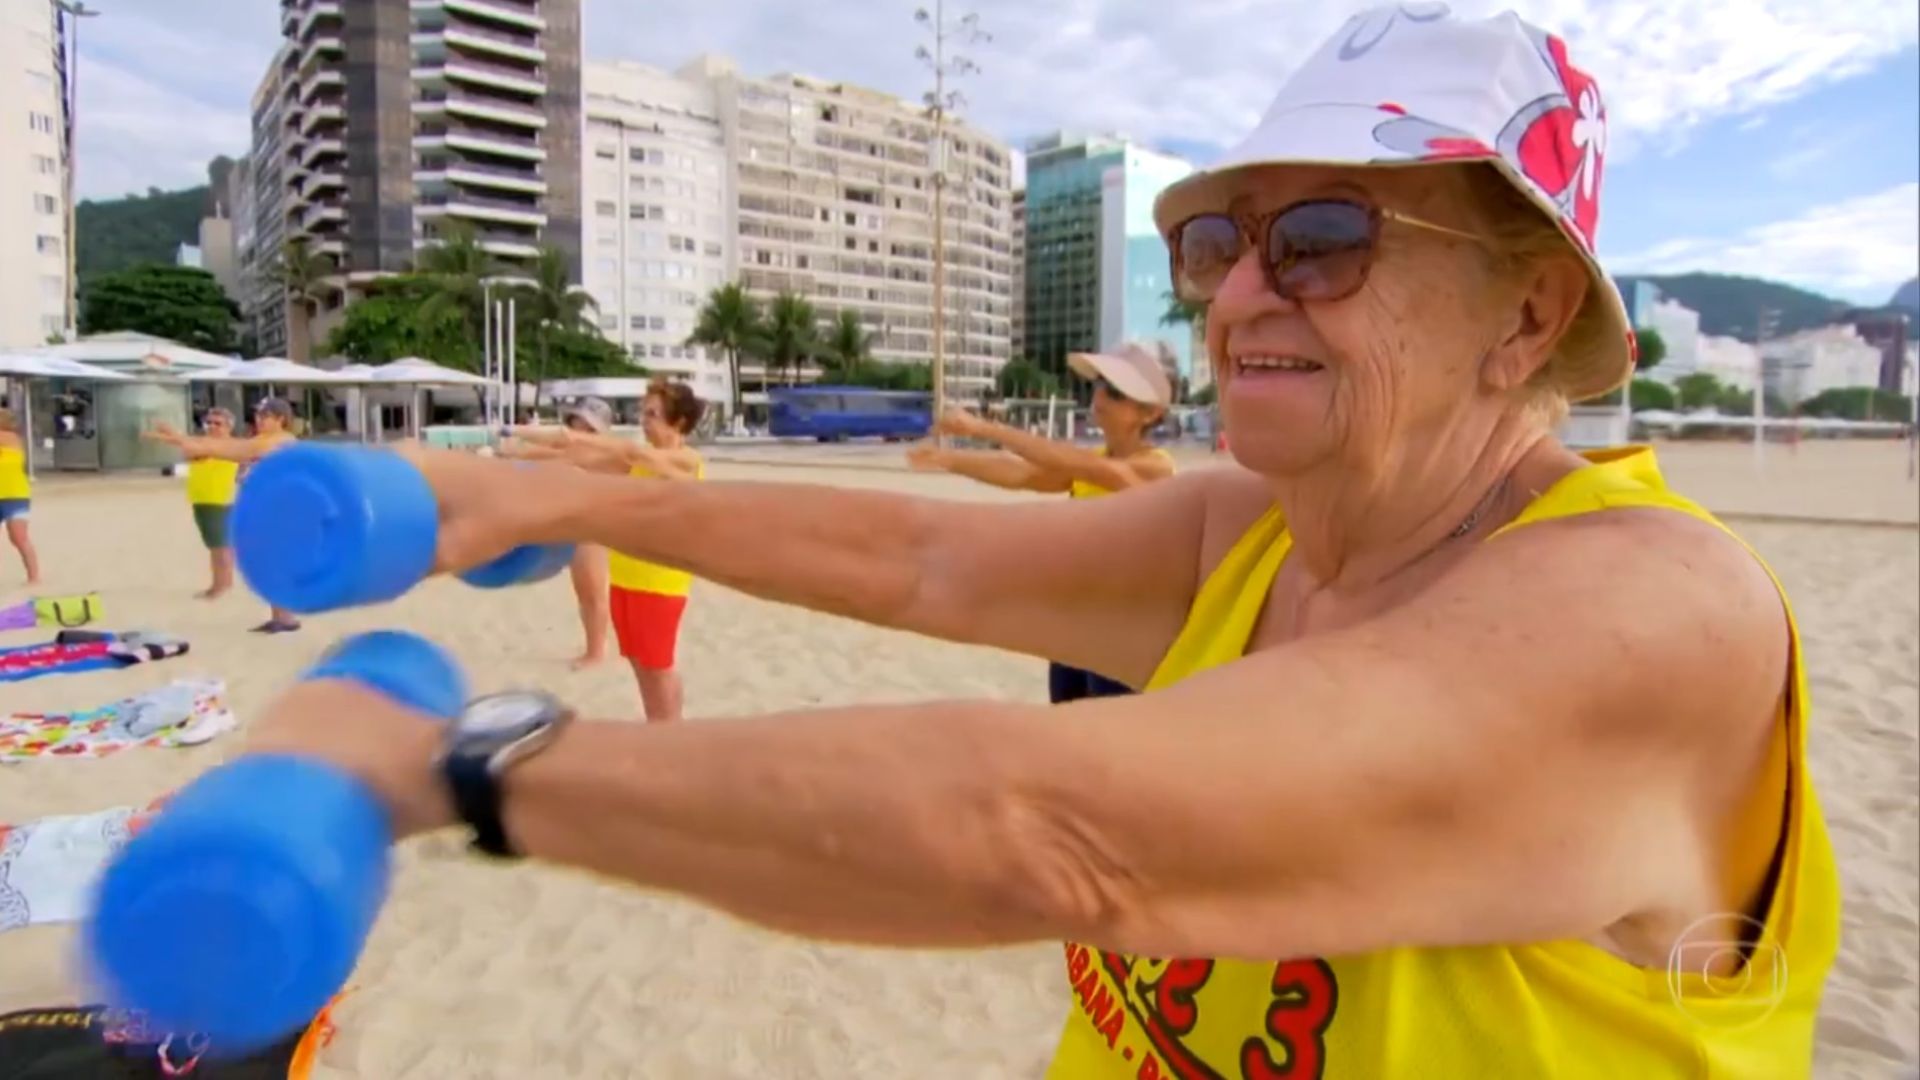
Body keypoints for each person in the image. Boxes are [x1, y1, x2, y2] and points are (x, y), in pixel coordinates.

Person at [247, 10, 1837, 1076]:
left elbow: (1064, 836)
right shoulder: (1256, 533)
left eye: (1325, 240)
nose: (1233, 295)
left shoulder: (1649, 606)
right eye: (1216, 241)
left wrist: (447, 769)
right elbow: (914, 563)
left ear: (1530, 312)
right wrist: (569, 500)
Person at [910, 341, 1177, 702]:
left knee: (1110, 735)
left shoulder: (1154, 467)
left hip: (1123, 625)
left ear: (1150, 413)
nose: (1100, 397)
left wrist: (984, 429)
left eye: (1114, 392)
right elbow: (1022, 474)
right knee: (1068, 720)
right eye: (1098, 386)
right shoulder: (1094, 460)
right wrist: (948, 460)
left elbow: (1075, 464)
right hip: (1077, 619)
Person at [509, 380, 705, 721]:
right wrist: (511, 451)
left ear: (680, 422)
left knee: (658, 667)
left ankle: (669, 736)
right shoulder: (637, 464)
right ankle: (659, 729)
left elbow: (630, 452)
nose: (644, 420)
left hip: (659, 584)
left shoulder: (686, 459)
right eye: (643, 412)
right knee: (640, 664)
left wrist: (578, 437)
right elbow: (575, 457)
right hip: (626, 579)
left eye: (653, 414)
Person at [147, 397, 302, 633]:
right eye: (258, 415)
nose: (258, 419)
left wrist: (182, 439)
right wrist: (178, 438)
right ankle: (281, 617)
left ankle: (286, 618)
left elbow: (229, 449)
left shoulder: (282, 440)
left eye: (265, 416)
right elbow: (221, 447)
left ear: (281, 419)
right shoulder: (263, 439)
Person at [499, 398, 619, 670]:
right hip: (567, 522)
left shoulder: (605, 452)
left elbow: (555, 453)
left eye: (589, 427)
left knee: (593, 590)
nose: (580, 430)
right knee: (583, 590)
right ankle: (594, 648)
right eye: (578, 423)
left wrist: (515, 444)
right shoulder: (567, 445)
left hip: (593, 525)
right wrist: (512, 439)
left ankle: (596, 652)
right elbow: (548, 447)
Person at [178, 407, 240, 600]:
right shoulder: (203, 443)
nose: (212, 426)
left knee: (219, 546)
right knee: (215, 545)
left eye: (217, 423)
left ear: (228, 427)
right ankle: (223, 582)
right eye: (209, 423)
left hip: (218, 500)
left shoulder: (230, 445)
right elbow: (189, 455)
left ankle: (220, 585)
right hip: (201, 498)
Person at [0, 408, 40, 585]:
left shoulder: (9, 438)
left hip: (15, 494)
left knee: (18, 537)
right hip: (8, 493)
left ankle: (34, 576)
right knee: (18, 537)